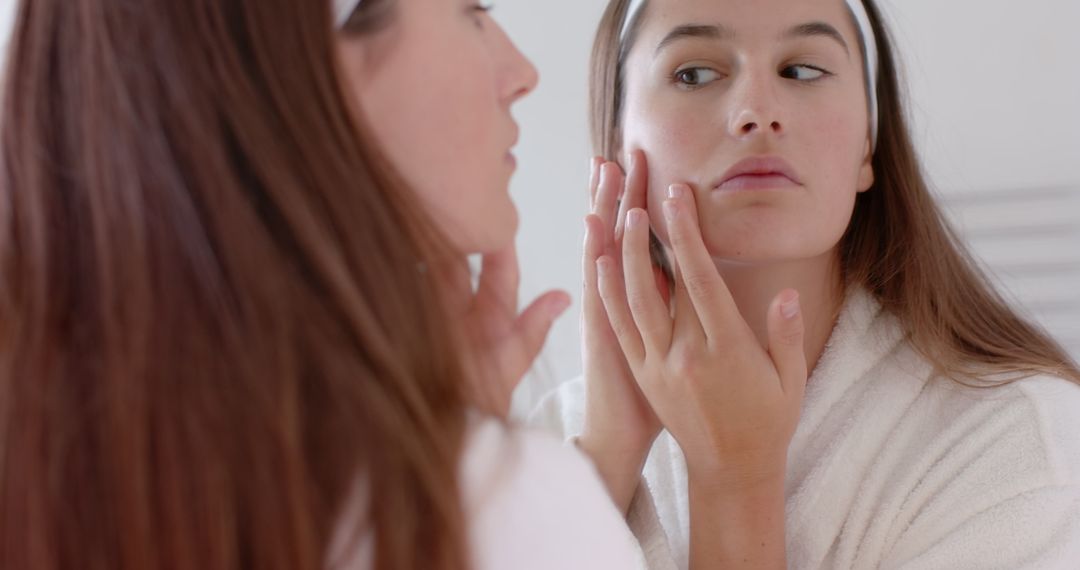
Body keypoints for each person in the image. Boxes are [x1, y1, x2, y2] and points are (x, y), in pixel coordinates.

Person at [0, 0, 644, 568]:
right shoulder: (508, 514)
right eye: (473, 11)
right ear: (303, 66)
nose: (522, 73)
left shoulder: (50, 473)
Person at [533, 0, 1080, 568]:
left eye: (801, 70)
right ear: (619, 143)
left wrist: (736, 480)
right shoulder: (554, 439)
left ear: (868, 145)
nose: (756, 112)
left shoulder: (1018, 446)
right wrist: (607, 459)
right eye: (693, 74)